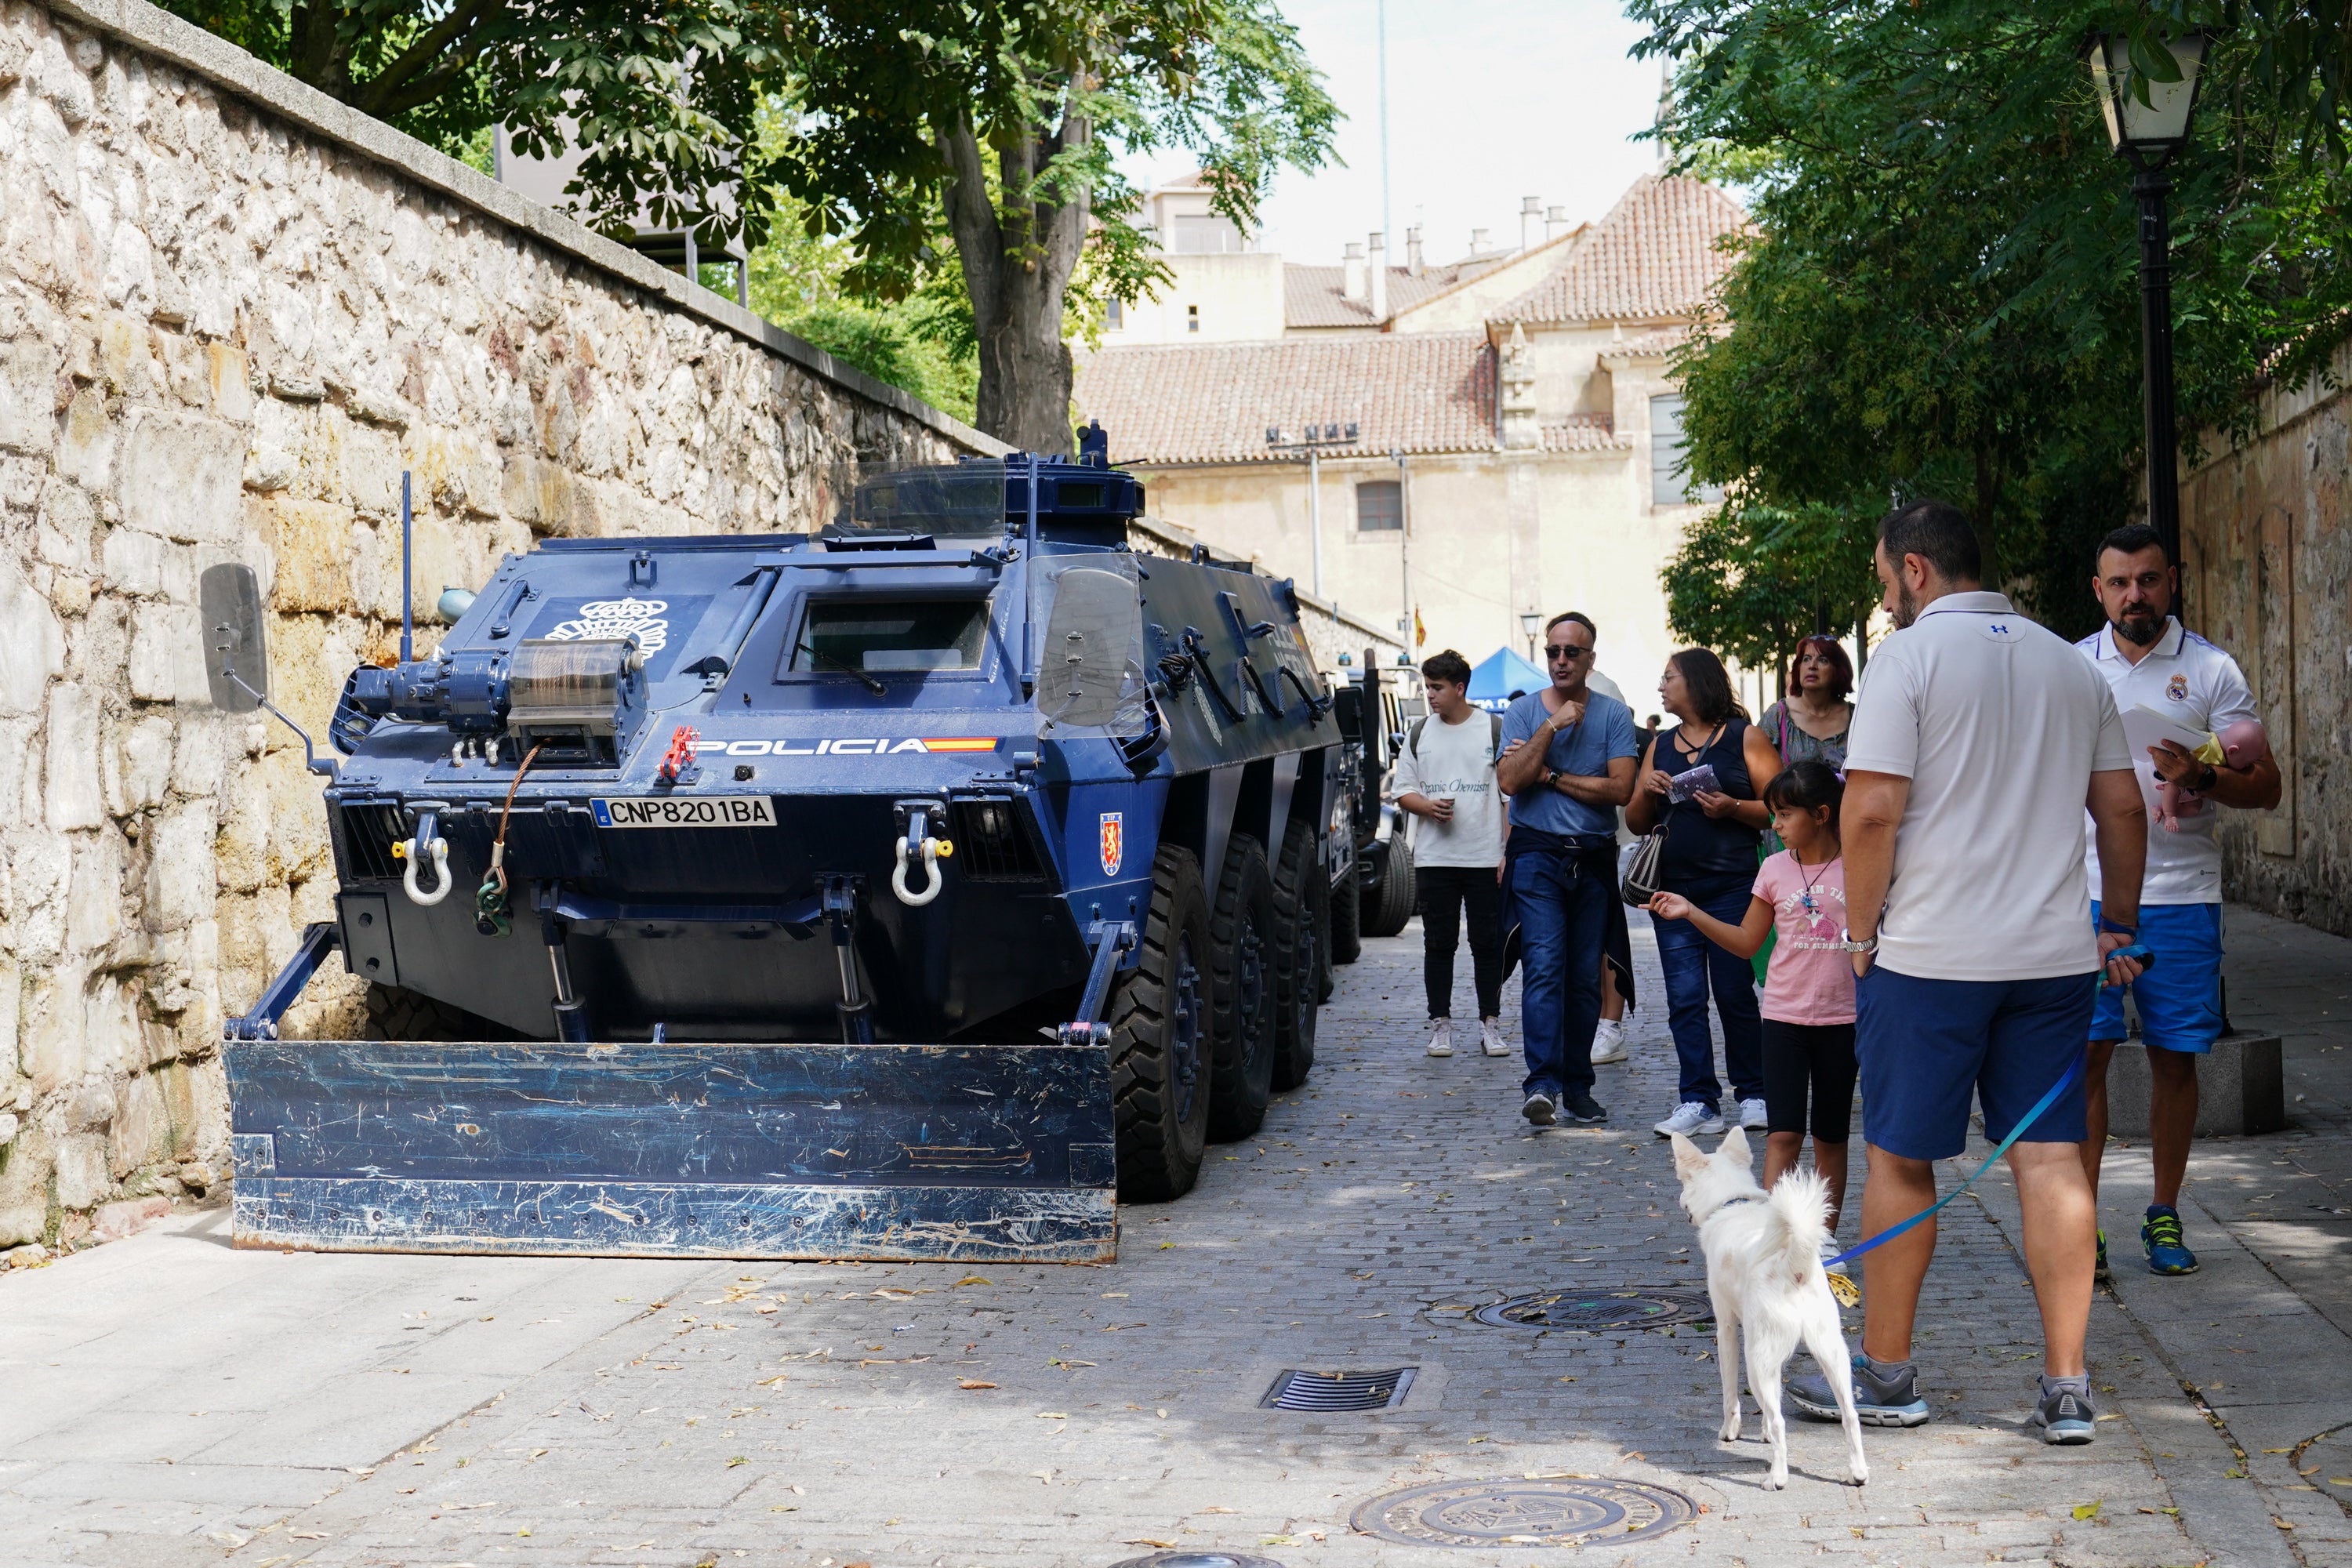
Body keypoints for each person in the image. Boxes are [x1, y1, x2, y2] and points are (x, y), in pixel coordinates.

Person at [1787, 499, 2147, 1447]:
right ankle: (2068, 1384)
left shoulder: (1908, 659)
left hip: (1930, 956)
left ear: (1914, 570)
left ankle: (1890, 1374)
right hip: (2054, 953)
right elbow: (2122, 812)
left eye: (1882, 581)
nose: (1884, 601)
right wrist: (2116, 922)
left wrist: (1860, 936)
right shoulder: (2073, 663)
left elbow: (1868, 815)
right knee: (2051, 1158)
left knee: (1903, 1157)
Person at [2074, 524, 2281, 1278]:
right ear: (2098, 591)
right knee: (2086, 1057)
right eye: (2120, 583)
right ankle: (2081, 1225)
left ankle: (2163, 1214)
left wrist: (2202, 777)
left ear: (2173, 581)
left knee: (2175, 1059)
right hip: (2085, 896)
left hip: (2181, 895)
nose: (2136, 595)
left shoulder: (2211, 670)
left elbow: (2267, 784)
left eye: (2150, 580)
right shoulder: (2070, 669)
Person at [1648, 760, 1857, 1250]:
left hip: (1843, 1021)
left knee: (1831, 1139)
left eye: (1784, 815)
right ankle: (1774, 1242)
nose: (1776, 825)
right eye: (1774, 815)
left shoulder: (1860, 866)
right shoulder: (1773, 868)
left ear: (1822, 814)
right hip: (1782, 1019)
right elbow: (1745, 942)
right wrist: (1691, 911)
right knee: (1784, 1135)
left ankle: (1822, 1244)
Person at [1624, 648, 1782, 1138]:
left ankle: (1754, 1093)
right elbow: (1634, 822)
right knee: (1685, 998)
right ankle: (1698, 1100)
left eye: (1668, 677)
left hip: (1733, 886)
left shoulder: (1744, 737)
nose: (1661, 687)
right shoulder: (1660, 744)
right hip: (1671, 893)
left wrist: (1732, 806)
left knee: (1734, 992)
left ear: (1696, 682)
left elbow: (1781, 807)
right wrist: (1647, 790)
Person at [1494, 612, 1640, 1127]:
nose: (1560, 660)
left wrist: (1550, 774)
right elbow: (1511, 780)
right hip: (1536, 855)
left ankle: (1577, 1086)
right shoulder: (1524, 714)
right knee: (1544, 968)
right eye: (1553, 651)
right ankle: (1542, 1086)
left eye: (1571, 652)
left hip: (1593, 856)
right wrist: (1550, 729)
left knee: (1583, 979)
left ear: (1589, 659)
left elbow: (1620, 789)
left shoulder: (1613, 715)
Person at [1391, 649, 1510, 1060]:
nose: (1430, 695)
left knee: (1487, 944)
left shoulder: (1493, 728)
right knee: (1438, 944)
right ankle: (1440, 1025)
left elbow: (1510, 796)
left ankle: (1490, 1024)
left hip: (1483, 855)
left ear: (1460, 688)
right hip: (1434, 858)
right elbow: (1402, 790)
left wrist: (1506, 851)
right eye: (1427, 687)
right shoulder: (1420, 732)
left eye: (1437, 687)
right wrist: (1426, 807)